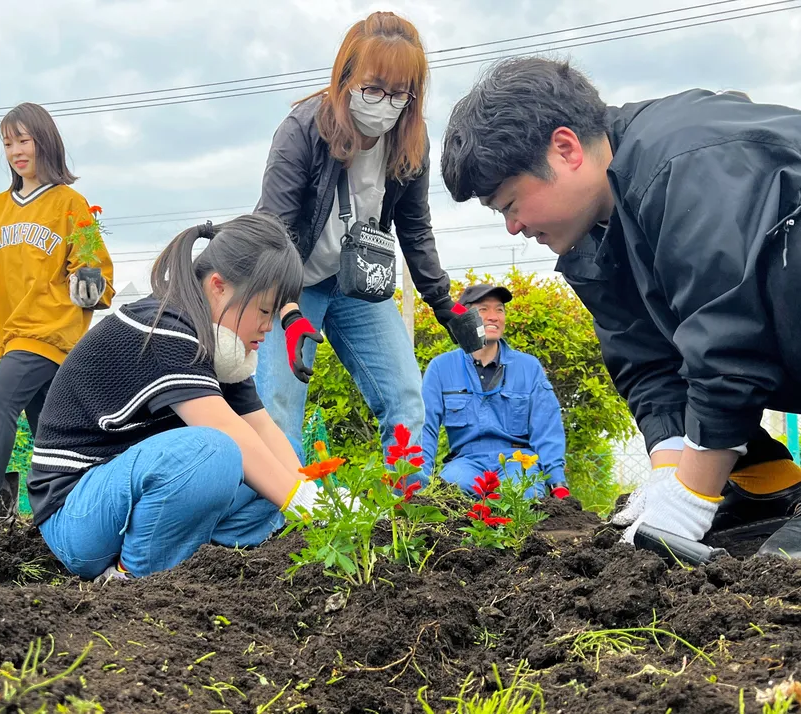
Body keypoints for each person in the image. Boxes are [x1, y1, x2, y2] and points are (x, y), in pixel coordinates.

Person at [439, 56, 801, 557]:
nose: (513, 228)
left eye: (509, 204)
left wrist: (691, 499)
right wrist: (669, 475)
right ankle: (768, 483)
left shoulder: (685, 161)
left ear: (565, 149)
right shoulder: (593, 239)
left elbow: (728, 340)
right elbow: (648, 363)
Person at [28, 213, 327, 580]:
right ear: (219, 286)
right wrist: (305, 506)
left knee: (287, 458)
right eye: (264, 310)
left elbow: (263, 431)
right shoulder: (163, 329)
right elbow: (227, 432)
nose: (268, 327)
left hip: (129, 496)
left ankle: (190, 557)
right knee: (215, 452)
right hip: (76, 512)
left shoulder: (217, 342)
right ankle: (134, 578)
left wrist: (322, 502)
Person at [253, 11, 477, 463]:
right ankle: (275, 526)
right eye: (373, 88)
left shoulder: (409, 140)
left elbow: (415, 228)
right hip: (290, 285)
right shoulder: (302, 131)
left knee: (406, 398)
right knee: (277, 405)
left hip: (356, 287)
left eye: (398, 94)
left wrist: (444, 303)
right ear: (347, 77)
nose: (384, 103)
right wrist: (289, 311)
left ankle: (407, 518)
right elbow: (271, 230)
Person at [0, 102, 115, 529]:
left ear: (44, 142)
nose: (16, 150)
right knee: (53, 433)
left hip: (52, 333)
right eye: (7, 143)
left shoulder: (71, 204)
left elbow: (95, 269)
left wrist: (89, 284)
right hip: (14, 335)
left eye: (23, 140)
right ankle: (76, 517)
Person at [420, 284, 568, 499]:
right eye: (483, 310)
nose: (493, 317)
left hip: (518, 460)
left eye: (499, 310)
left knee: (524, 495)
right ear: (465, 318)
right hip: (465, 462)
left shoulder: (528, 367)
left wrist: (557, 482)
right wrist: (418, 482)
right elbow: (425, 427)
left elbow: (547, 427)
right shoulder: (441, 367)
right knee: (453, 494)